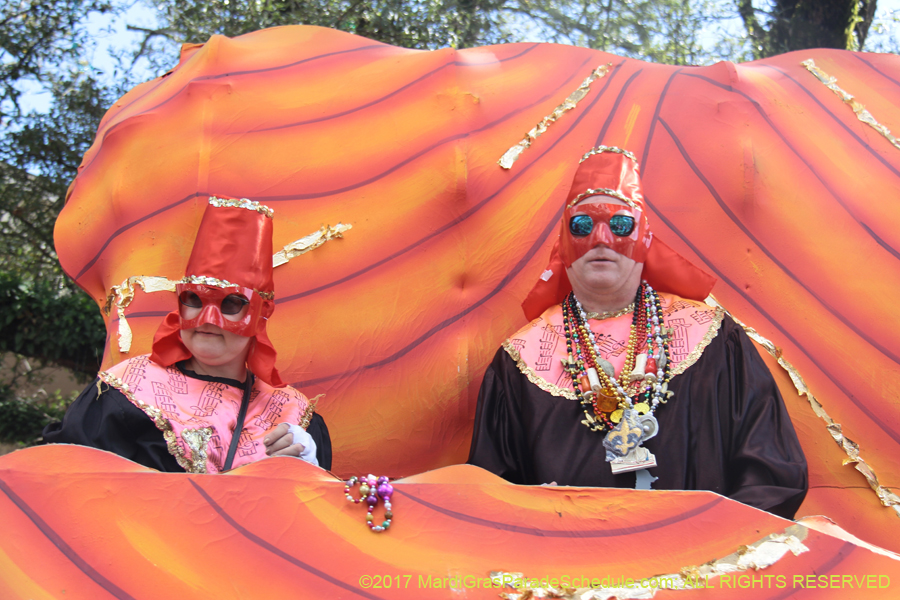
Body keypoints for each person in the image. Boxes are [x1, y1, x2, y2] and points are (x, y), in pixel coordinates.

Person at [468, 146, 807, 519]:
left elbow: (773, 475)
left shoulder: (713, 337)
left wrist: (712, 550)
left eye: (620, 224)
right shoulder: (520, 358)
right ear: (563, 245)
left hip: (698, 565)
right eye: (581, 225)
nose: (601, 238)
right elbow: (493, 497)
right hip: (568, 568)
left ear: (645, 239)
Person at [44, 196, 332, 473]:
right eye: (193, 299)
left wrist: (308, 467)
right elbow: (68, 484)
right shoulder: (128, 389)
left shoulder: (291, 413)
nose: (207, 321)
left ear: (261, 313)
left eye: (232, 303)